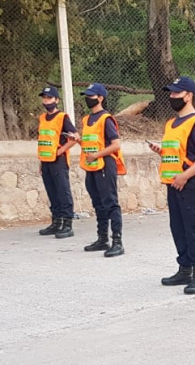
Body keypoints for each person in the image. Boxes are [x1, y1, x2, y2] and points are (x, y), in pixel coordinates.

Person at [149, 77, 195, 294]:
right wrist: (161, 151)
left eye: (176, 93)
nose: (172, 96)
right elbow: (178, 152)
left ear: (188, 95)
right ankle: (184, 268)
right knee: (178, 227)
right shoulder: (171, 123)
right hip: (173, 183)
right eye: (171, 93)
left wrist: (185, 176)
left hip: (190, 184)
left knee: (193, 228)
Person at [78, 83, 127, 257]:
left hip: (105, 164)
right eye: (86, 95)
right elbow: (91, 142)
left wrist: (97, 155)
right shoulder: (86, 119)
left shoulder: (106, 119)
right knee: (98, 202)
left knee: (110, 202)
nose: (88, 98)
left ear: (100, 98)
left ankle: (117, 241)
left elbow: (115, 145)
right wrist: (78, 140)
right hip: (91, 165)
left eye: (91, 96)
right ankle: (102, 238)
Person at [36, 86, 78, 239]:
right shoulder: (42, 118)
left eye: (49, 98)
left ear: (56, 100)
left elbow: (75, 137)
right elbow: (44, 140)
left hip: (59, 161)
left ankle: (67, 224)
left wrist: (61, 151)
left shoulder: (62, 117)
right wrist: (41, 161)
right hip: (46, 161)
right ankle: (56, 222)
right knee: (52, 192)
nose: (46, 100)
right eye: (44, 98)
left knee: (63, 192)